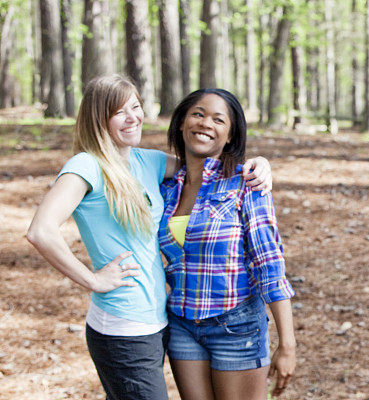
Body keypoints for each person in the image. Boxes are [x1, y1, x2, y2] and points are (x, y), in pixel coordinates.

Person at [26, 74, 273, 400]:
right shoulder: (86, 166)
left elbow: (203, 162)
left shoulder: (147, 161)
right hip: (122, 326)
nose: (133, 118)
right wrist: (92, 280)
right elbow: (40, 230)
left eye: (136, 107)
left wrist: (257, 165)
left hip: (158, 322)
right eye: (119, 112)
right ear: (99, 119)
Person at [159, 88, 296, 400]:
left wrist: (287, 344)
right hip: (182, 326)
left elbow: (269, 266)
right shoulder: (165, 187)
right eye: (198, 114)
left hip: (236, 327)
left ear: (231, 136)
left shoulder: (246, 184)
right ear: (181, 123)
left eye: (218, 119)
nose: (206, 123)